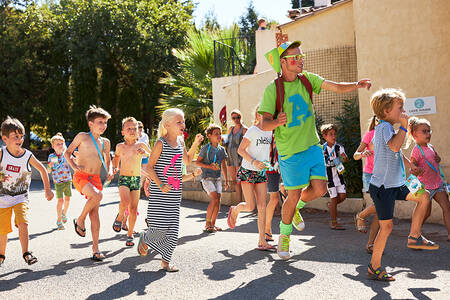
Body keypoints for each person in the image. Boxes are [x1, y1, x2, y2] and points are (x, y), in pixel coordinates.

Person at [259, 40, 372, 260]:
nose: (300, 61)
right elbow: (263, 123)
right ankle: (284, 236)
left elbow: (336, 86)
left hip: (311, 146)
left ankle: (296, 209)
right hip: (290, 152)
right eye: (296, 58)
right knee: (291, 195)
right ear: (283, 62)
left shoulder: (307, 80)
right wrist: (276, 122)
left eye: (302, 57)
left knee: (320, 189)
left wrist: (357, 84)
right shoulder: (273, 89)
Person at [367, 88, 438, 282]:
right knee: (387, 227)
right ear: (386, 111)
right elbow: (394, 146)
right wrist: (405, 127)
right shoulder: (384, 127)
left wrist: (410, 166)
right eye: (400, 108)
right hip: (383, 187)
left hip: (396, 183)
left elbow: (395, 152)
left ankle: (414, 236)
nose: (403, 111)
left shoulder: (387, 128)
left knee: (423, 197)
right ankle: (374, 266)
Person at [136, 108, 203, 272]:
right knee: (159, 230)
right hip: (160, 193)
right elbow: (150, 167)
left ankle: (165, 262)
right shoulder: (161, 143)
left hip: (175, 193)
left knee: (173, 233)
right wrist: (160, 184)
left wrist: (194, 144)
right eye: (179, 122)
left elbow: (187, 161)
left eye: (183, 121)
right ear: (167, 124)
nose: (183, 124)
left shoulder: (180, 141)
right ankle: (145, 238)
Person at [0, 117, 54, 266]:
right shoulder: (1, 154)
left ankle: (26, 253)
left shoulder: (27, 155)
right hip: (2, 200)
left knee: (23, 223)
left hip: (20, 198)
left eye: (21, 136)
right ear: (5, 139)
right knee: (3, 230)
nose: (20, 139)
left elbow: (42, 169)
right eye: (15, 136)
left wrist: (48, 190)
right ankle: (1, 255)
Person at [64, 105, 114, 261]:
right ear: (91, 123)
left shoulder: (105, 142)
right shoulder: (82, 136)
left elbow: (108, 160)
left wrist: (111, 170)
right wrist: (74, 166)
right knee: (97, 195)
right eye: (100, 122)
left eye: (105, 123)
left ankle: (95, 249)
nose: (103, 126)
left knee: (95, 214)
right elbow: (67, 152)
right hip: (81, 176)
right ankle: (80, 219)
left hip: (96, 178)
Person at [227, 105, 275, 251]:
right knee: (250, 206)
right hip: (248, 170)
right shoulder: (253, 130)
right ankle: (235, 210)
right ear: (257, 116)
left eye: (268, 115)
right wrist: (254, 161)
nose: (266, 118)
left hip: (260, 172)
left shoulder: (271, 131)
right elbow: (240, 150)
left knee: (262, 207)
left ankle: (262, 241)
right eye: (263, 115)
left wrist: (268, 162)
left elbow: (268, 149)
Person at [111, 117, 151, 246]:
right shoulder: (120, 146)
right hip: (124, 178)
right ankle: (119, 216)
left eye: (135, 128)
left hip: (136, 180)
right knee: (125, 201)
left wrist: (145, 152)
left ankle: (130, 235)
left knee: (133, 209)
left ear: (139, 131)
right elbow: (116, 157)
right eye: (129, 128)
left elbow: (153, 155)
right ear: (122, 132)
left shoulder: (141, 145)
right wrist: (115, 167)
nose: (132, 131)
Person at [408, 117, 450, 241]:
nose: (428, 134)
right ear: (415, 134)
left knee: (447, 207)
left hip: (438, 184)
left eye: (429, 131)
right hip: (425, 187)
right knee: (426, 213)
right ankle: (414, 233)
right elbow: (412, 166)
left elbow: (436, 158)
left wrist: (438, 159)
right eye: (424, 131)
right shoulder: (416, 150)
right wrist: (415, 169)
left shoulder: (430, 146)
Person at [353, 116, 379, 254]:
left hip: (385, 176)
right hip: (371, 175)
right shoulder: (370, 135)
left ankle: (371, 244)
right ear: (375, 121)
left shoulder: (391, 134)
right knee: (381, 206)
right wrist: (363, 153)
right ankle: (361, 216)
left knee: (381, 212)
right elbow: (355, 155)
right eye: (378, 119)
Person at [196, 124, 229, 233]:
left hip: (218, 178)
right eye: (216, 134)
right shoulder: (205, 148)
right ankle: (207, 224)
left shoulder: (221, 150)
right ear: (209, 136)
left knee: (218, 200)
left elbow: (224, 165)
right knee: (214, 198)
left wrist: (226, 180)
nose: (219, 136)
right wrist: (209, 166)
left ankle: (213, 224)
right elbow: (198, 162)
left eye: (220, 134)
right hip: (207, 178)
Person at [320, 124, 349, 230]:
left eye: (334, 134)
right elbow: (319, 163)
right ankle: (334, 223)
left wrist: (345, 158)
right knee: (333, 199)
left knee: (342, 197)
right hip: (329, 178)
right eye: (330, 134)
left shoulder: (339, 147)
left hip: (339, 176)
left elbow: (345, 159)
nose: (333, 136)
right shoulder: (321, 149)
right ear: (324, 136)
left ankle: (331, 206)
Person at [47, 133, 72, 230]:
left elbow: (74, 162)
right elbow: (48, 171)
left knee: (68, 199)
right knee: (60, 200)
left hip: (68, 180)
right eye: (58, 144)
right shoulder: (52, 156)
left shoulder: (66, 155)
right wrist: (50, 165)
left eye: (62, 143)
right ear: (53, 146)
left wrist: (77, 158)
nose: (60, 145)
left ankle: (64, 213)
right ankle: (58, 220)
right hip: (58, 182)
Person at [225, 109, 247, 204]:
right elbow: (226, 141)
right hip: (230, 157)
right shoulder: (230, 129)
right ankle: (239, 201)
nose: (236, 119)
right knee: (234, 180)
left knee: (240, 180)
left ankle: (242, 201)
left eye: (238, 117)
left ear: (241, 117)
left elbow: (248, 144)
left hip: (239, 158)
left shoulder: (244, 129)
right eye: (233, 118)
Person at [264, 140, 284, 242]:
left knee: (281, 196)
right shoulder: (268, 134)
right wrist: (273, 145)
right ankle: (267, 230)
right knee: (274, 199)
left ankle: (268, 230)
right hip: (270, 169)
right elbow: (264, 152)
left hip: (280, 168)